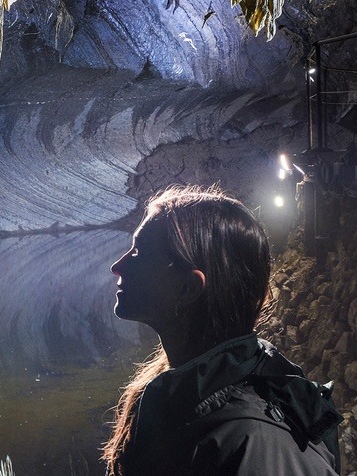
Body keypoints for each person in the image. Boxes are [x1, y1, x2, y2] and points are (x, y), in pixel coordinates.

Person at [102, 185, 342, 475]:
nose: (117, 266)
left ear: (189, 287)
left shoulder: (250, 447)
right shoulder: (187, 397)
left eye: (139, 253)